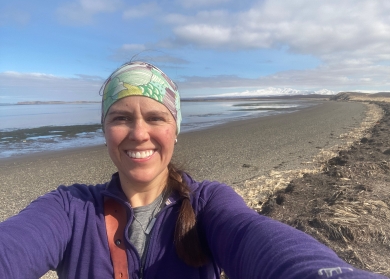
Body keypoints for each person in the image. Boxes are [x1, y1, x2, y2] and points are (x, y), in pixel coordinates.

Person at [0, 61, 387, 279]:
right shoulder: (70, 209)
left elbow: (261, 242)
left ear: (176, 130)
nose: (139, 134)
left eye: (155, 117)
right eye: (120, 118)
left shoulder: (207, 204)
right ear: (104, 131)